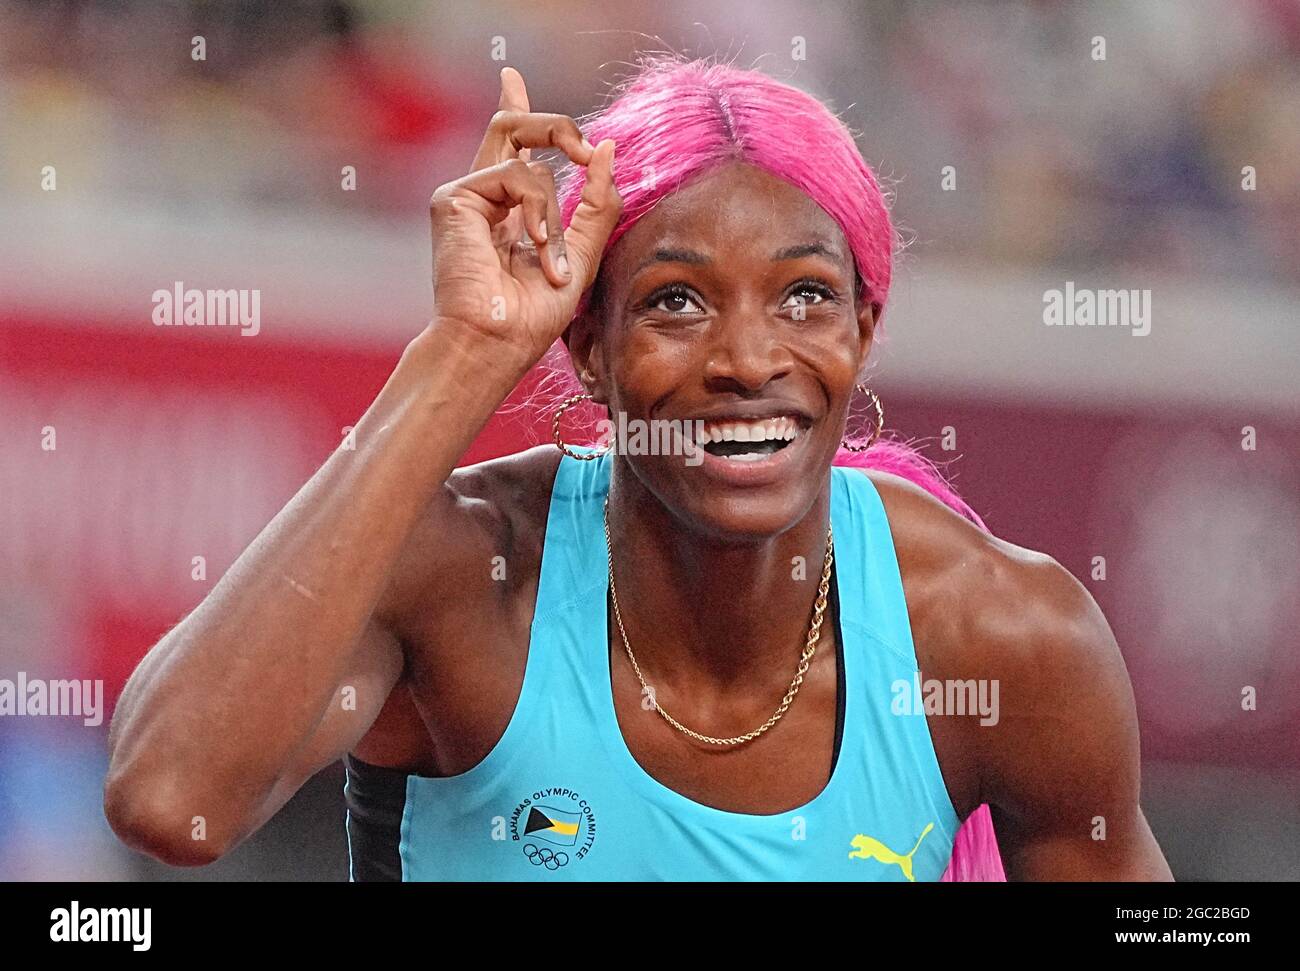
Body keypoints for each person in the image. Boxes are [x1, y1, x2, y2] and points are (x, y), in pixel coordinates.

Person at [104, 56, 1173, 881]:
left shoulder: (1006, 638)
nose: (749, 360)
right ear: (585, 345)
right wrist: (465, 351)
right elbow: (167, 798)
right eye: (674, 301)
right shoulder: (463, 578)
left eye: (803, 295)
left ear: (863, 327)